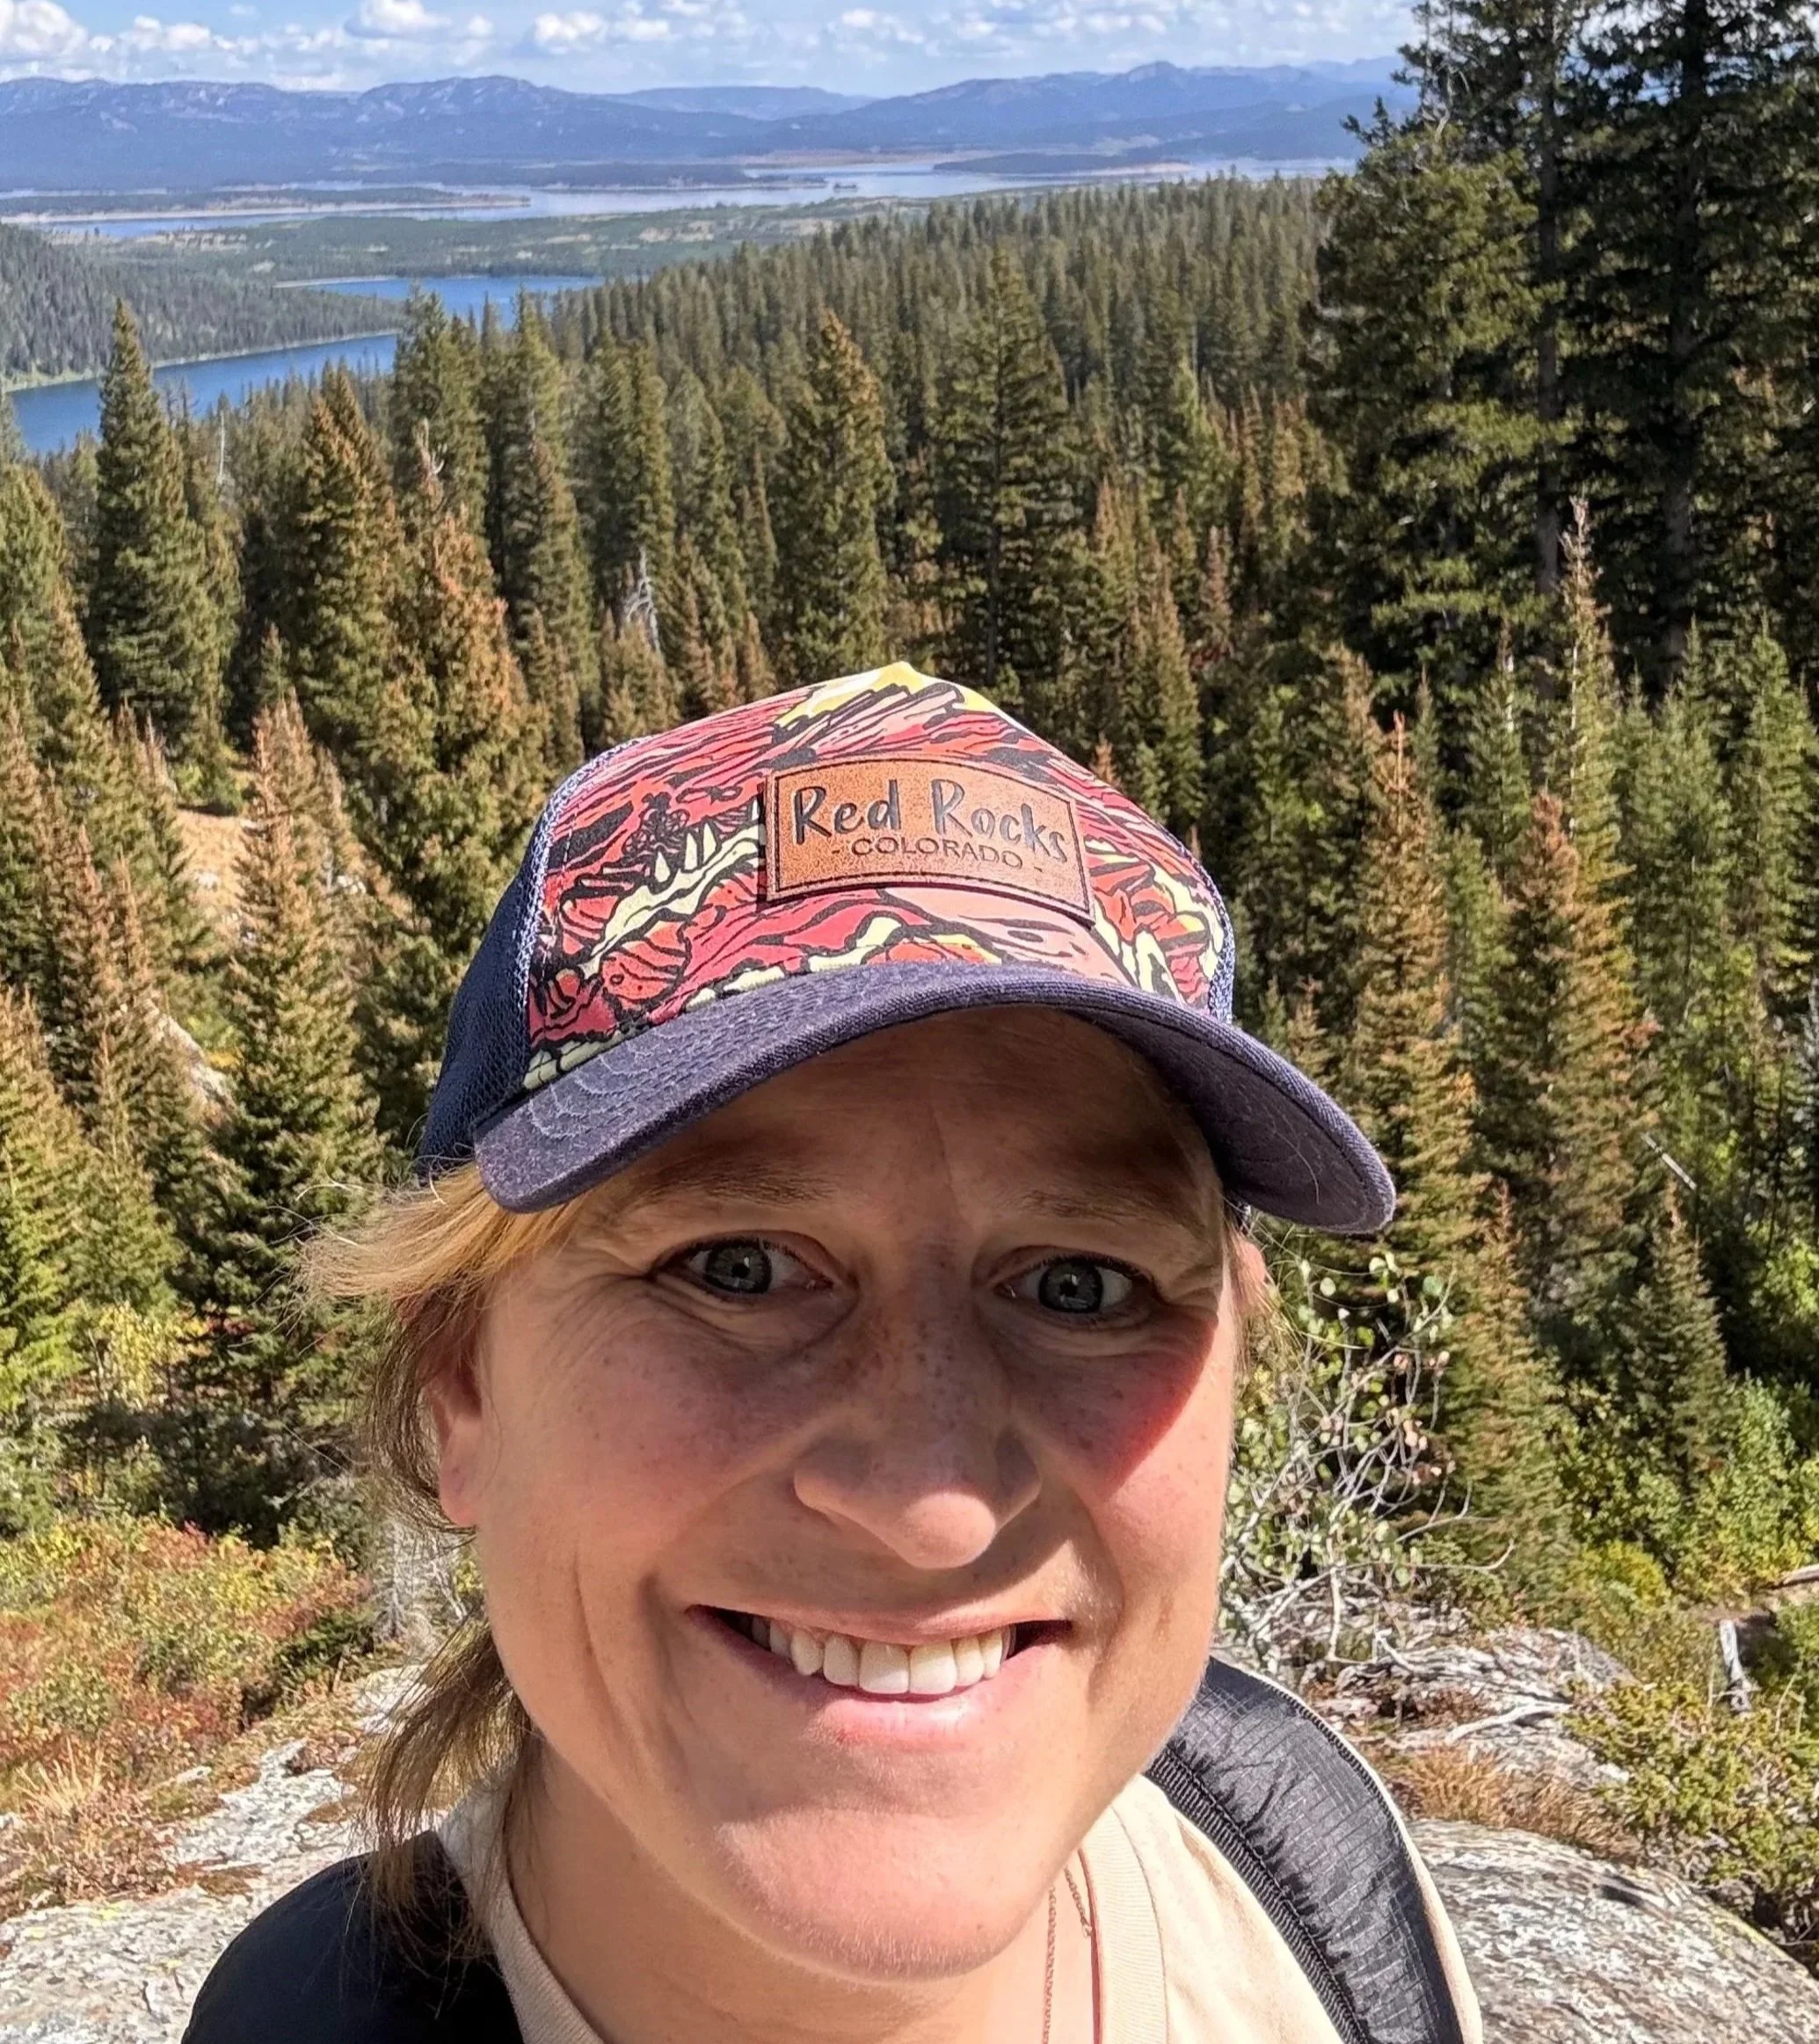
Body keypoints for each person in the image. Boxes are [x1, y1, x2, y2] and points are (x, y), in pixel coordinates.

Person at [185, 664, 1482, 2044]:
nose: (930, 1509)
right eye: (736, 1270)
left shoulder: (1313, 1892)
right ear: (462, 1388)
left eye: (1078, 1285)